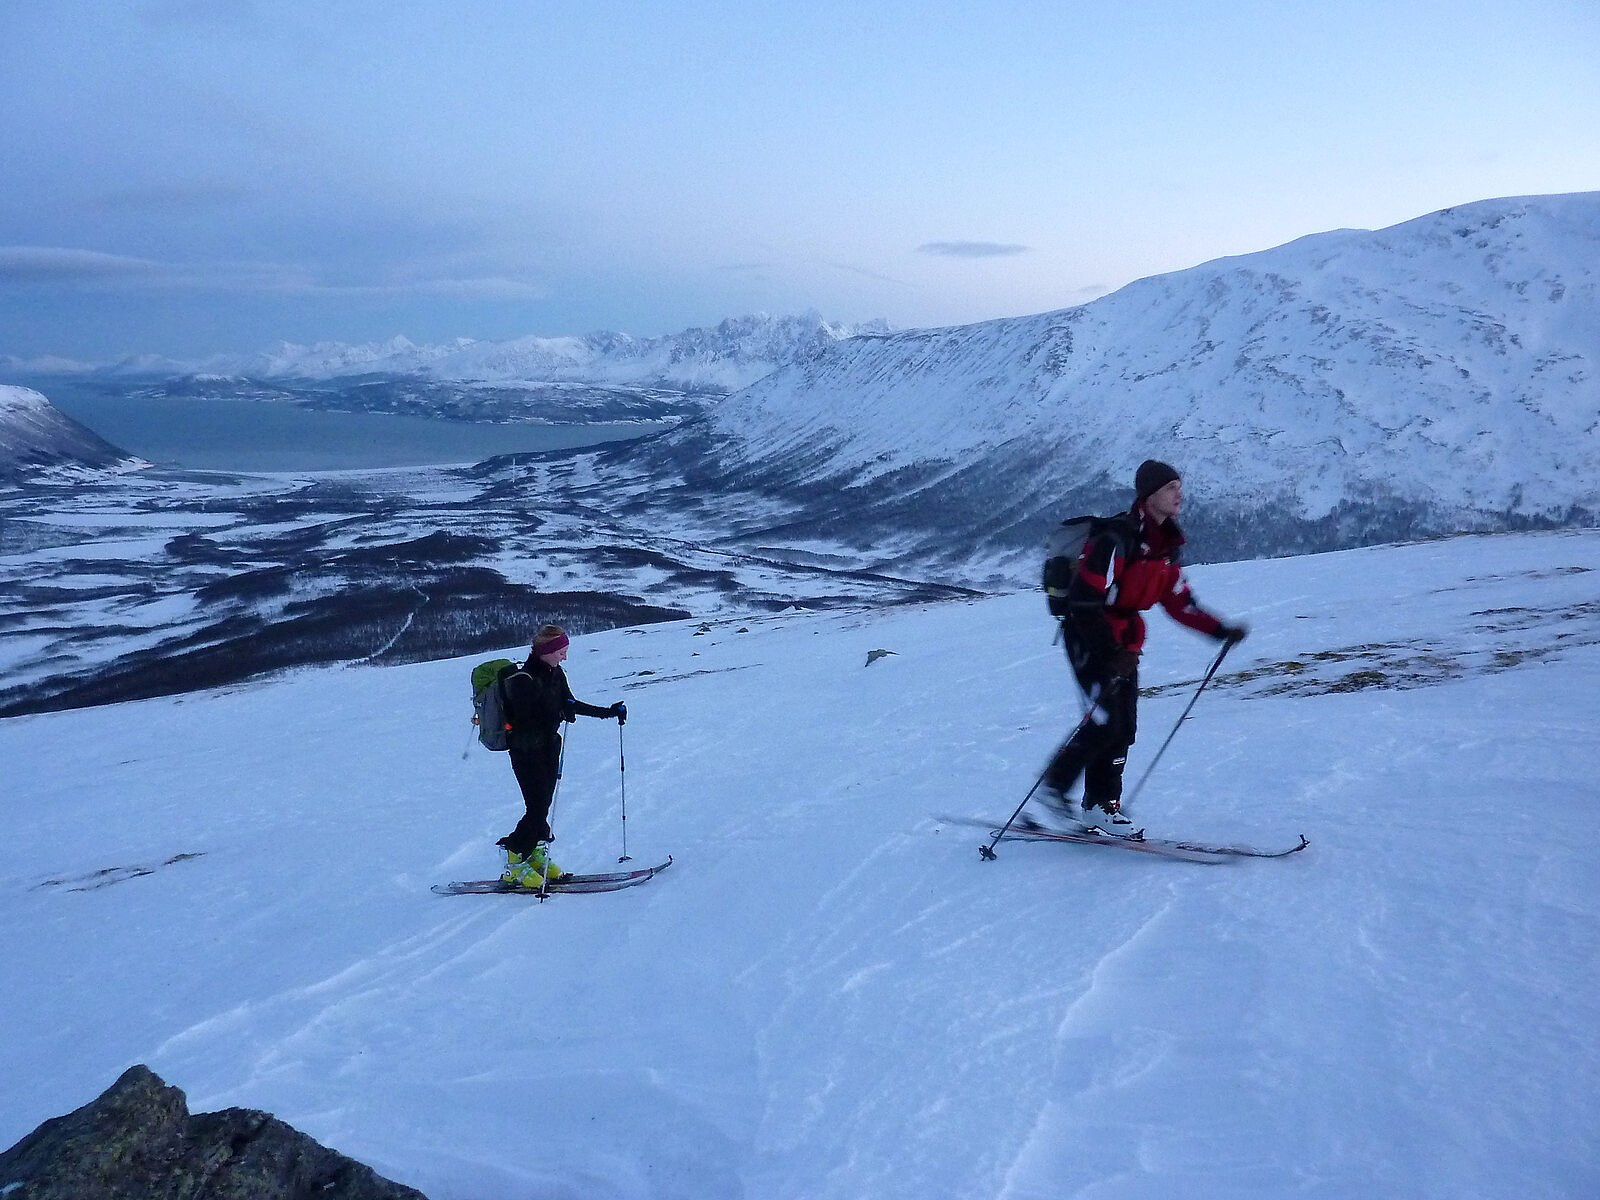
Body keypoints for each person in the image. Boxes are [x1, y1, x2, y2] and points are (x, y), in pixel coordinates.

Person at [1038, 459, 1247, 825]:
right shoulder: (1116, 540)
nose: (1179, 494)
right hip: (1089, 635)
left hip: (1125, 641)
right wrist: (1110, 652)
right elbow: (1085, 601)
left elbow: (1179, 601)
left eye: (1179, 487)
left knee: (1124, 727)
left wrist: (1219, 631)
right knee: (1105, 721)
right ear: (1149, 495)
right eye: (1170, 488)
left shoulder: (1165, 547)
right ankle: (1054, 789)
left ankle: (1101, 806)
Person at [496, 624, 627, 887]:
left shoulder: (556, 674)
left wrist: (607, 712)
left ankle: (534, 853)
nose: (564, 657)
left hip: (549, 746)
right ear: (545, 651)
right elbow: (524, 719)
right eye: (561, 652)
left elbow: (570, 703)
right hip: (526, 750)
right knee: (537, 807)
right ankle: (514, 857)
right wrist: (558, 712)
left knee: (542, 804)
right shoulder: (523, 680)